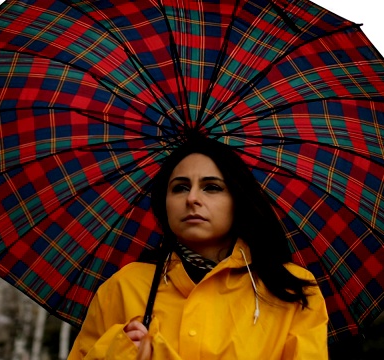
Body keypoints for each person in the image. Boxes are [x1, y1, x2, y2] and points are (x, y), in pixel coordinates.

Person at [68, 136, 328, 359]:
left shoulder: (292, 289)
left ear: (238, 200)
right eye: (180, 188)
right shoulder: (124, 287)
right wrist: (118, 351)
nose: (192, 198)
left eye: (212, 187)